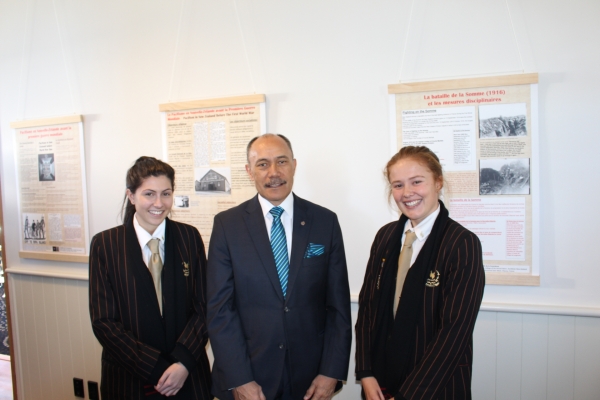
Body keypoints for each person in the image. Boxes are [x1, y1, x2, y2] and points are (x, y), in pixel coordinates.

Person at [207, 134, 352, 400]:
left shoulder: (324, 221)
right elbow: (219, 311)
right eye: (263, 164)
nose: (274, 172)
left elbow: (338, 308)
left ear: (294, 165)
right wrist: (239, 378)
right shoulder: (227, 226)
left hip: (310, 380)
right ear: (249, 171)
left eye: (281, 161)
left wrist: (331, 372)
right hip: (251, 377)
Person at [355, 146, 485, 400]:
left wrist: (410, 395)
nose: (407, 193)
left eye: (417, 182)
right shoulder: (385, 237)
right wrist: (366, 372)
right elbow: (368, 308)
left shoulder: (461, 243)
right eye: (398, 185)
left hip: (435, 387)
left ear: (438, 182)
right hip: (380, 384)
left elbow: (454, 332)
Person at [89, 156, 212, 399]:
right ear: (131, 196)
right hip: (130, 379)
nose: (159, 203)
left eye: (166, 194)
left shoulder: (189, 237)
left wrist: (182, 363)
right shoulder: (105, 244)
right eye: (149, 194)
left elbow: (205, 306)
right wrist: (156, 369)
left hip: (187, 377)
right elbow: (104, 322)